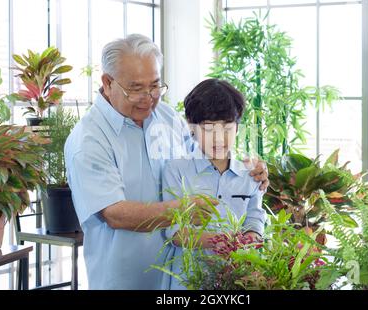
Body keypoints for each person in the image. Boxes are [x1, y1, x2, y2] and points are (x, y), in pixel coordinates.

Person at [64, 34, 269, 289]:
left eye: (155, 86)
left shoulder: (166, 116)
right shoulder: (88, 141)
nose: (149, 97)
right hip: (126, 279)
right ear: (108, 83)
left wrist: (252, 171)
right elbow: (114, 214)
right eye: (136, 88)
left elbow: (206, 156)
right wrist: (184, 211)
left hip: (180, 279)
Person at [160, 78, 267, 290]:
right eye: (208, 129)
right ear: (192, 128)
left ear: (237, 128)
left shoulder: (250, 173)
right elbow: (175, 233)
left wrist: (252, 237)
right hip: (187, 281)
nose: (219, 138)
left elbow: (254, 216)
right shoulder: (176, 170)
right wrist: (223, 241)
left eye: (227, 128)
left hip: (237, 280)